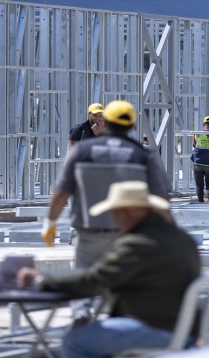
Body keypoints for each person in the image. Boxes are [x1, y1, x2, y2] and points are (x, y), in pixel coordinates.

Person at [18, 181, 200, 358]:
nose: (113, 219)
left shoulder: (139, 242)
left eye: (114, 213)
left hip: (158, 327)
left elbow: (97, 279)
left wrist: (41, 280)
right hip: (182, 327)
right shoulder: (181, 238)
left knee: (75, 342)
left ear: (125, 213)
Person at [41, 100, 171, 327]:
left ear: (105, 122)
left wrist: (50, 222)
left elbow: (61, 191)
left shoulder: (82, 150)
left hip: (90, 230)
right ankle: (121, 320)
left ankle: (82, 314)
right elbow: (161, 200)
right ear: (131, 127)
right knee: (126, 278)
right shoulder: (142, 155)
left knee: (84, 273)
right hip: (128, 234)